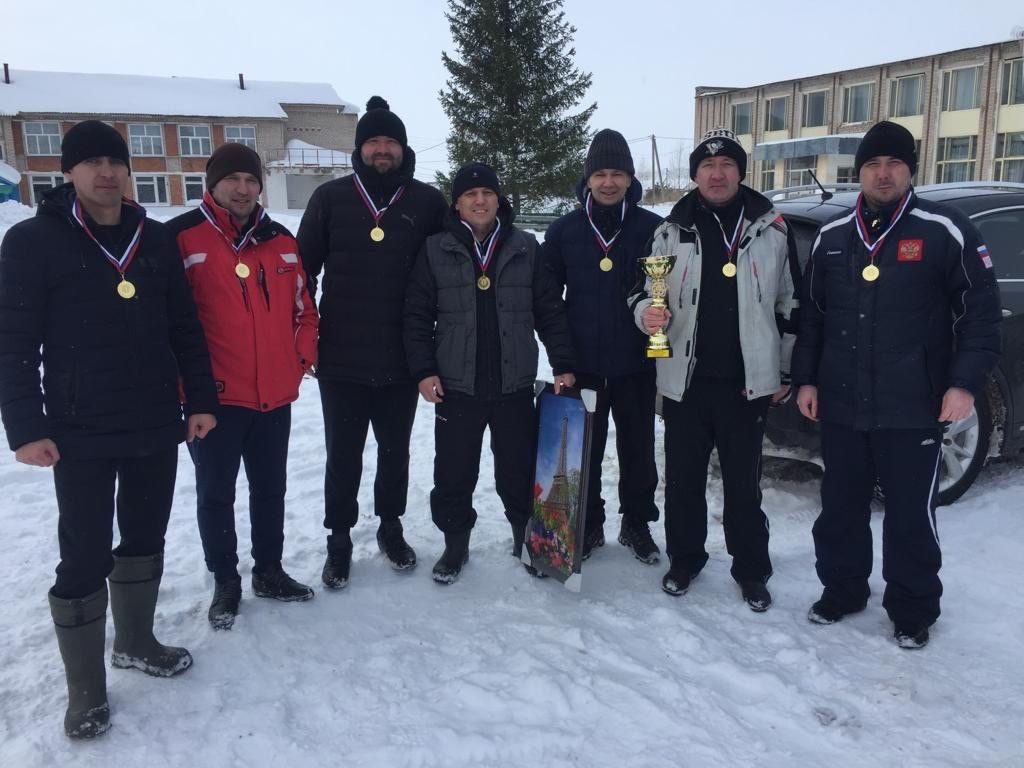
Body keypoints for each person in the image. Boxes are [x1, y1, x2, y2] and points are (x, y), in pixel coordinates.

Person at [0, 120, 218, 739]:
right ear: (67, 172)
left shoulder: (153, 239)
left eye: (115, 162)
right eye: (91, 162)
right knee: (85, 553)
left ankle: (136, 641)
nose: (106, 173)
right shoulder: (32, 243)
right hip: (79, 429)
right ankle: (86, 690)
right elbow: (13, 343)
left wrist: (199, 400)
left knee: (146, 535)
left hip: (152, 420)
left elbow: (185, 328)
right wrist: (24, 426)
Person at [792, 121, 1001, 649]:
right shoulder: (834, 237)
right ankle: (842, 590)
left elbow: (980, 316)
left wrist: (964, 384)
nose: (883, 174)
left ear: (911, 170)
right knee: (840, 506)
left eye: (894, 164)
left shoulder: (943, 229)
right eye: (872, 165)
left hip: (915, 404)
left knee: (909, 514)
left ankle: (912, 608)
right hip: (841, 402)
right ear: (859, 172)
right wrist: (806, 380)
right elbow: (814, 318)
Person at [631, 127, 798, 611]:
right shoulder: (669, 230)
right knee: (683, 481)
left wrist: (784, 371)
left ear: (741, 173)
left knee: (744, 485)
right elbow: (641, 292)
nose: (717, 174)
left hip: (748, 384)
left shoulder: (773, 229)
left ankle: (751, 570)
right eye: (707, 166)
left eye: (726, 166)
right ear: (696, 175)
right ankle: (685, 560)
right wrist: (647, 314)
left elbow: (791, 303)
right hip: (685, 381)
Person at [167, 143, 319, 630]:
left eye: (251, 180)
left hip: (274, 395)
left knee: (270, 488)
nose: (242, 188)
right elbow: (165, 326)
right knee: (216, 494)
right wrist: (183, 391)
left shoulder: (282, 241)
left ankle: (269, 570)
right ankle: (226, 580)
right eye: (232, 179)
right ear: (212, 184)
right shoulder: (182, 239)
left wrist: (300, 359)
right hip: (212, 400)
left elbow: (306, 311)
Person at [297, 97, 447, 588]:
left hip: (402, 357)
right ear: (359, 149)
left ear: (403, 148)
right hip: (341, 358)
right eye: (373, 142)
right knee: (343, 454)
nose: (382, 150)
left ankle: (390, 528)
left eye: (391, 142)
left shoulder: (426, 203)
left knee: (394, 451)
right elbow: (302, 273)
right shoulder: (331, 199)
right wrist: (308, 337)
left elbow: (448, 272)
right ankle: (338, 540)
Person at [404, 162, 576, 584]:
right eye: (470, 195)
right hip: (457, 388)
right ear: (457, 204)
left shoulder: (524, 248)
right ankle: (455, 545)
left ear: (498, 200)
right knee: (453, 473)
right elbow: (416, 316)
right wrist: (424, 370)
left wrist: (563, 364)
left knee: (517, 472)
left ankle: (526, 539)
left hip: (513, 386)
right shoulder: (435, 249)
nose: (479, 201)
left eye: (487, 193)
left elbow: (551, 311)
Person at [544, 129, 663, 565]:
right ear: (587, 180)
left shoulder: (654, 230)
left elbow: (667, 294)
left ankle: (636, 523)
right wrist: (561, 359)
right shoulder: (564, 232)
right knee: (585, 452)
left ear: (630, 179)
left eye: (617, 173)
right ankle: (589, 522)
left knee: (638, 451)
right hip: (583, 366)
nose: (609, 182)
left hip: (636, 365)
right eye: (600, 174)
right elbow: (547, 303)